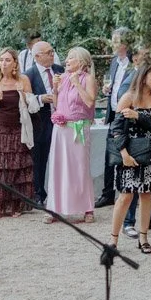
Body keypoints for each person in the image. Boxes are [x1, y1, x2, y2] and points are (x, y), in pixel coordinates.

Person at [108, 60, 151, 255]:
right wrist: (124, 154)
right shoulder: (128, 97)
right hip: (131, 151)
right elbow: (116, 129)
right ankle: (113, 240)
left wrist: (138, 116)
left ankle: (143, 237)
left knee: (147, 194)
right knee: (125, 196)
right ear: (144, 76)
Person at [0, 49, 39, 219]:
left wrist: (23, 94)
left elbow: (32, 105)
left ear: (15, 63)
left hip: (18, 128)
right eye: (1, 60)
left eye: (7, 60)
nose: (3, 63)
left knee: (17, 167)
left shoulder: (23, 80)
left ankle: (15, 206)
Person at [45, 46, 98, 223]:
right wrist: (55, 88)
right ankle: (54, 208)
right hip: (61, 128)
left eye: (71, 58)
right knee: (58, 168)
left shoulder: (88, 79)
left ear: (81, 61)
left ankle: (87, 209)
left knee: (80, 168)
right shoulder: (62, 78)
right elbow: (56, 104)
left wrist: (77, 84)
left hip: (78, 128)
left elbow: (90, 102)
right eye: (67, 58)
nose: (66, 61)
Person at [95, 27, 135, 207]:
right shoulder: (114, 62)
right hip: (114, 116)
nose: (112, 44)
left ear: (126, 43)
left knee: (128, 156)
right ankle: (107, 194)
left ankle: (128, 193)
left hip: (130, 116)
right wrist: (108, 89)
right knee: (109, 156)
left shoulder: (135, 63)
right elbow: (116, 86)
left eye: (116, 41)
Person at [25, 40, 64, 205]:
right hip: (41, 121)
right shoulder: (29, 74)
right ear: (37, 56)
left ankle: (61, 193)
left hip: (61, 120)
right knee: (39, 159)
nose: (52, 55)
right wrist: (41, 98)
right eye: (48, 53)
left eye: (52, 51)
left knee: (61, 158)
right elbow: (25, 99)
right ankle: (39, 194)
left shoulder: (60, 70)